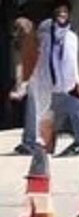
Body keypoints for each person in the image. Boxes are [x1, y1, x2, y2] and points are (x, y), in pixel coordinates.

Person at [32, 0, 79, 157]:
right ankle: (44, 147)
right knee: (49, 117)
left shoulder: (72, 37)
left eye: (65, 12)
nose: (62, 15)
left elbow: (72, 59)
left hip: (70, 82)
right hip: (49, 83)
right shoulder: (45, 33)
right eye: (58, 11)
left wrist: (77, 77)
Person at [10, 17, 39, 154]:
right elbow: (20, 65)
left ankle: (31, 143)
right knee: (31, 112)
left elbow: (27, 64)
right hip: (32, 80)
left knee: (33, 112)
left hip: (37, 80)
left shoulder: (31, 42)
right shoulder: (22, 43)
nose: (15, 33)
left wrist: (21, 86)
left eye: (17, 29)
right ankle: (28, 141)